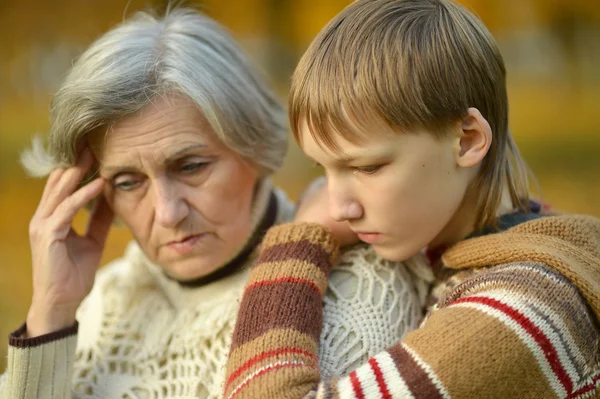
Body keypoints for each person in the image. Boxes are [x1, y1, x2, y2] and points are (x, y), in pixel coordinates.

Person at [0, 6, 432, 399]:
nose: (169, 212)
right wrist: (51, 314)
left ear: (253, 146)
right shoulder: (105, 301)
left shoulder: (361, 287)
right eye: (129, 182)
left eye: (191, 167)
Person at [222, 0, 600, 398]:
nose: (338, 209)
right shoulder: (467, 251)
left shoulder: (521, 310)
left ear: (468, 140)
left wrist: (300, 239)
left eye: (367, 168)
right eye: (324, 169)